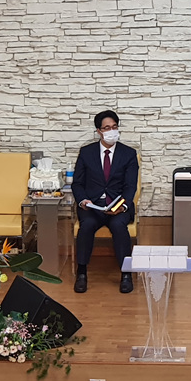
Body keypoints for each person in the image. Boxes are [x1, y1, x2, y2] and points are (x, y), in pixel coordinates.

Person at [72, 110, 139, 294]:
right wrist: (83, 201)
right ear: (99, 131)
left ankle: (126, 274)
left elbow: (130, 186)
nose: (112, 131)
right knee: (86, 226)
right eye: (107, 128)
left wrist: (122, 206)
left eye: (114, 127)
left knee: (118, 225)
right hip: (92, 207)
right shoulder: (86, 153)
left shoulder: (128, 154)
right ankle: (82, 273)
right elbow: (77, 183)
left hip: (118, 206)